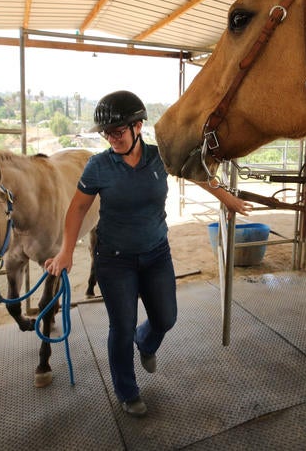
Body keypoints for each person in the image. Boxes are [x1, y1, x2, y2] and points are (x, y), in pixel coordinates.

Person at [44, 90, 250, 417]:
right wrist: (66, 251)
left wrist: (227, 199)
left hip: (156, 254)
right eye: (107, 134)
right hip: (114, 259)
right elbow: (77, 209)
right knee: (121, 327)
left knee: (166, 318)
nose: (112, 139)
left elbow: (198, 173)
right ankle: (127, 391)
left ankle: (147, 341)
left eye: (118, 131)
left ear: (138, 126)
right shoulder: (99, 166)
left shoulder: (160, 157)